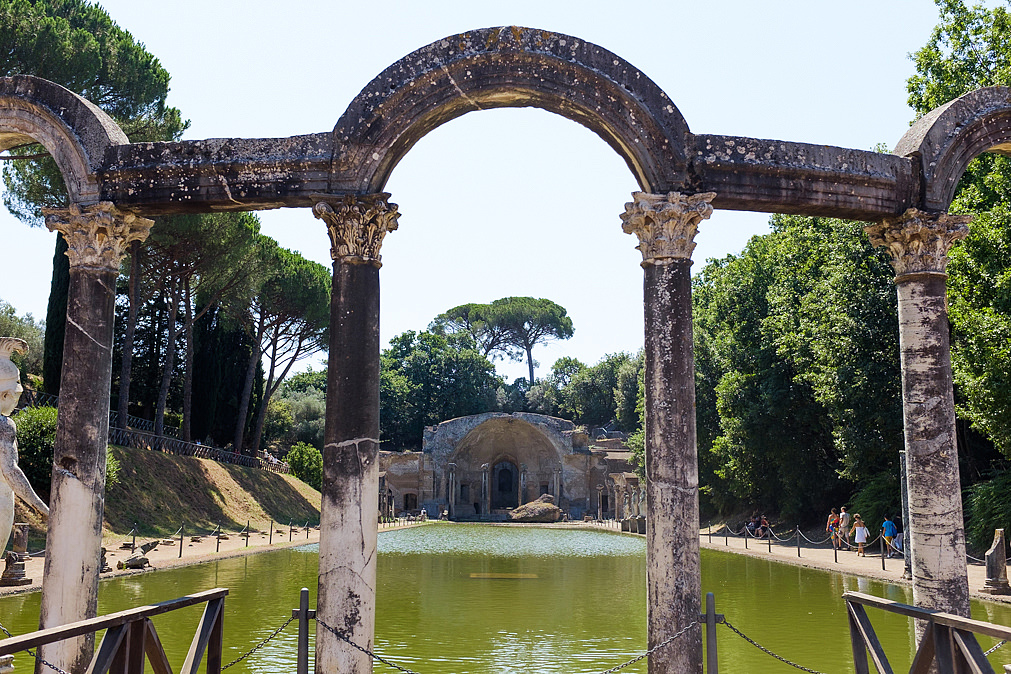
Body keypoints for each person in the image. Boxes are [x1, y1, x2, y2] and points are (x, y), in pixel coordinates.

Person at [0, 338, 49, 553]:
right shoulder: (4, 425)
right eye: (16, 396)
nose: (17, 402)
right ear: (5, 394)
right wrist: (40, 506)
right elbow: (10, 471)